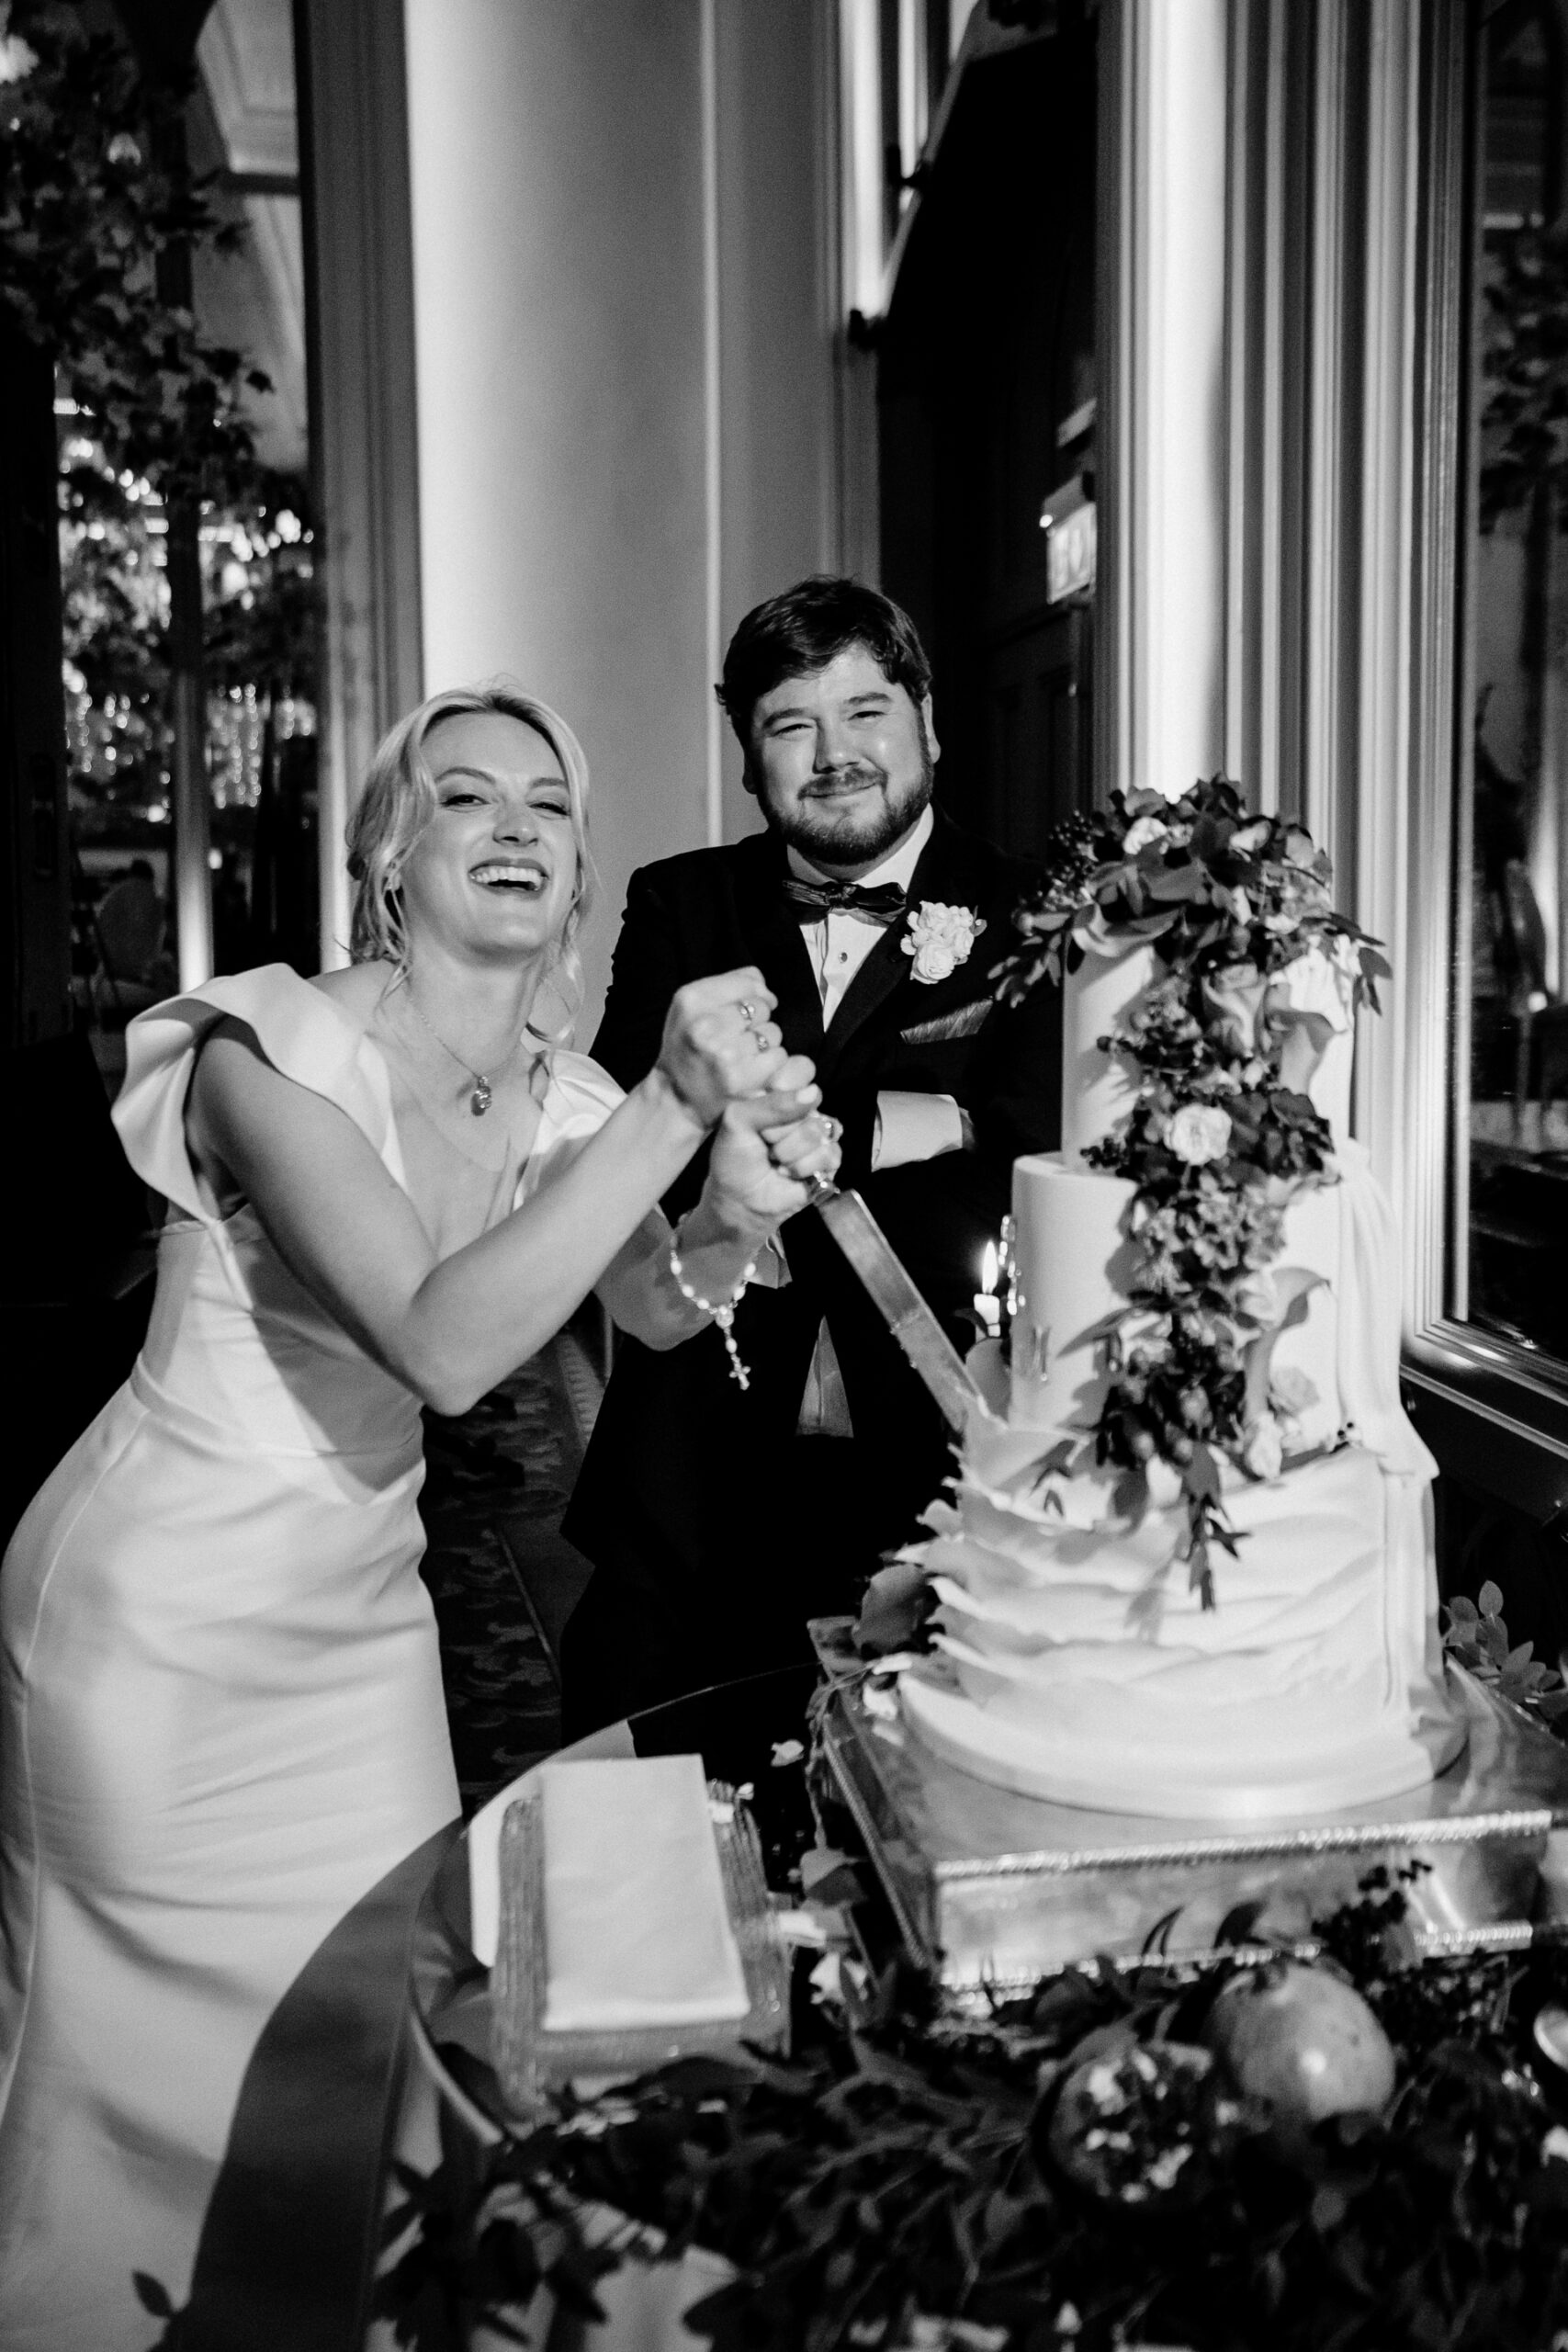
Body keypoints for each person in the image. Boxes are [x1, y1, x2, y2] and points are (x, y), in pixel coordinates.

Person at [0, 682, 839, 2348]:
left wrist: (733, 1217)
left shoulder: (569, 1102)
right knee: (131, 2093)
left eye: (549, 800)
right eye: (467, 796)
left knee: (359, 2057)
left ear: (579, 866)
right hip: (158, 1630)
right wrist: (677, 1112)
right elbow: (446, 1344)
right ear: (390, 855)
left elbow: (652, 1306)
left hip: (363, 1633)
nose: (517, 822)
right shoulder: (258, 1049)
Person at [561, 576, 1060, 1733]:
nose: (834, 754)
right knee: (660, 1845)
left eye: (865, 711)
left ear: (927, 721)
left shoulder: (1036, 911)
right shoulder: (680, 904)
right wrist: (912, 1119)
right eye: (792, 724)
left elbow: (1033, 1167)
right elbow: (633, 1141)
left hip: (944, 1472)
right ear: (750, 760)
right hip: (696, 1477)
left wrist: (754, 1118)